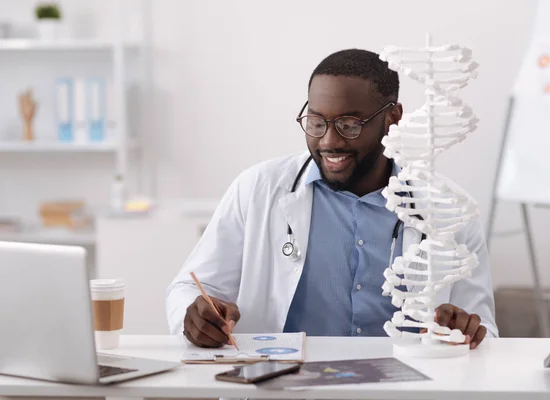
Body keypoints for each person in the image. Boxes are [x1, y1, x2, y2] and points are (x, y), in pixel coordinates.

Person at [165, 48, 498, 350]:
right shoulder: (258, 189)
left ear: (392, 118)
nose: (329, 141)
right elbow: (189, 289)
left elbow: (482, 331)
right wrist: (192, 316)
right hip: (283, 386)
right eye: (316, 122)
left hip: (401, 387)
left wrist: (464, 330)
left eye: (349, 124)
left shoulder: (448, 211)